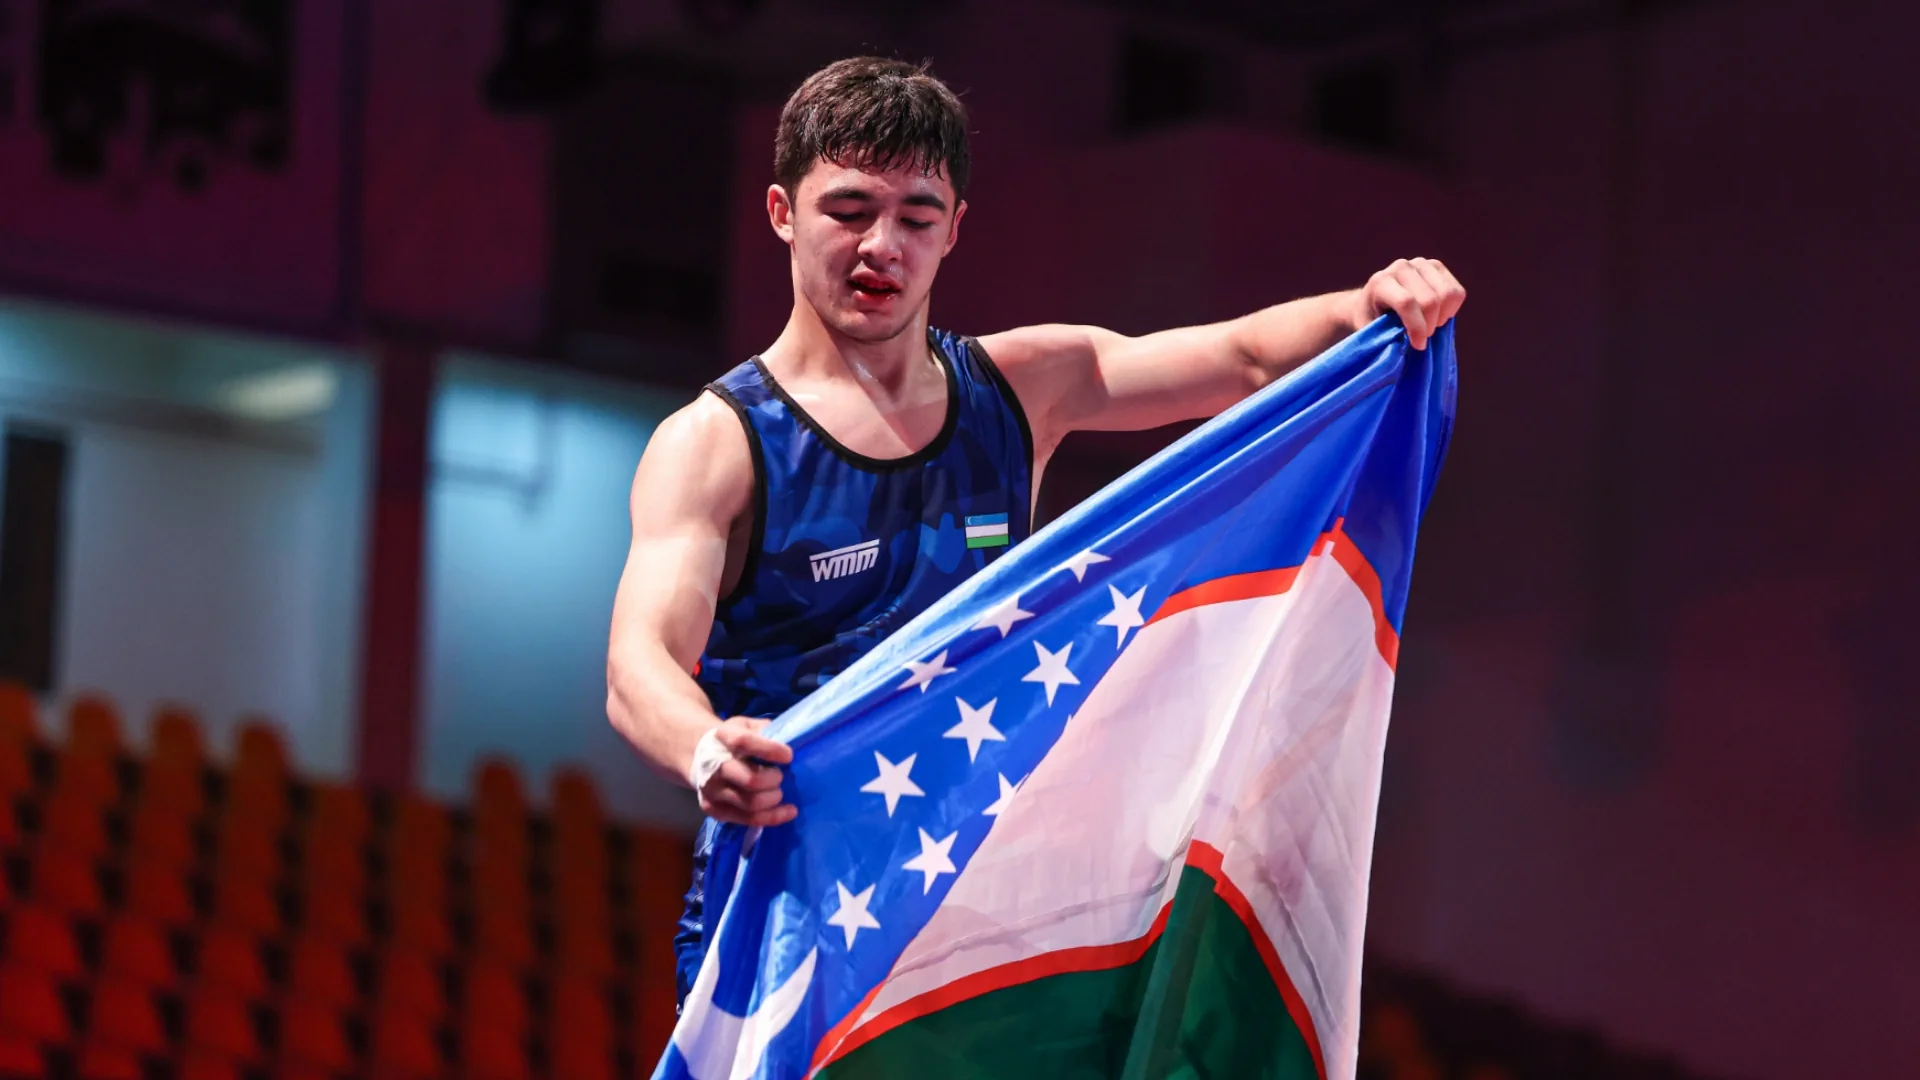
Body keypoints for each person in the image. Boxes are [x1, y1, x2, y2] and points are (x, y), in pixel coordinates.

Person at [605, 56, 1465, 1004]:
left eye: (917, 218)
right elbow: (639, 666)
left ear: (954, 230)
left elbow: (1246, 360)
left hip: (976, 915)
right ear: (782, 212)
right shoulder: (715, 443)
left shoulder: (1021, 390)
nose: (881, 246)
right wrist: (706, 750)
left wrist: (1367, 306)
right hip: (789, 917)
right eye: (848, 210)